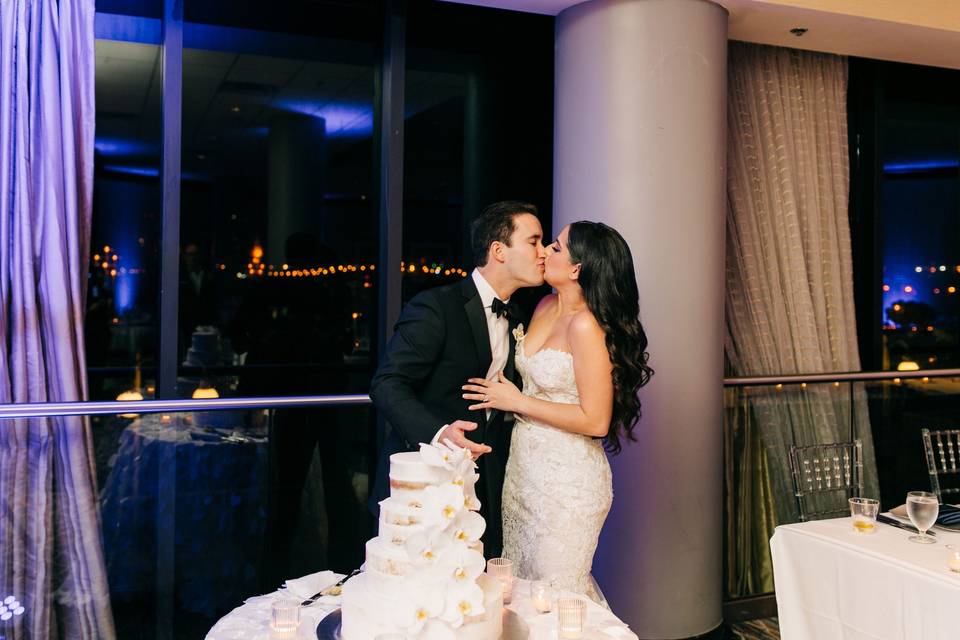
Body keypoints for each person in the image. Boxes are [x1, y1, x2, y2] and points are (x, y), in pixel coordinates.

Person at [462, 220, 653, 600]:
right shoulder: (546, 305)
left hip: (567, 482)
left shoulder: (586, 326)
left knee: (556, 594)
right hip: (522, 473)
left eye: (556, 247)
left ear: (577, 268)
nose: (544, 251)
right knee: (519, 588)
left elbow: (596, 421)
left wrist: (518, 401)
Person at [369, 201, 547, 559]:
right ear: (499, 250)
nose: (542, 253)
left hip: (488, 486)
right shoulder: (437, 307)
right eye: (534, 241)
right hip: (427, 484)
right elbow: (386, 383)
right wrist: (440, 434)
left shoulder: (520, 315)